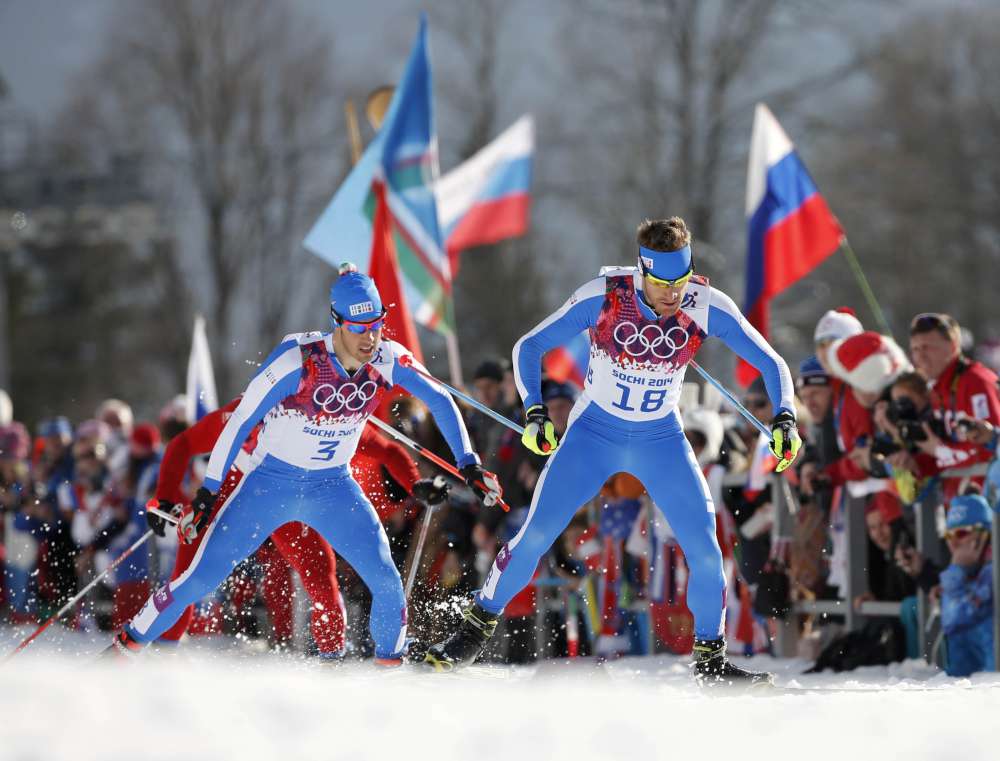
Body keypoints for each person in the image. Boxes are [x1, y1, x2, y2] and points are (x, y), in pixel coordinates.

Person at [425, 217, 800, 685]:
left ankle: (711, 662)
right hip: (593, 437)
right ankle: (474, 632)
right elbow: (529, 347)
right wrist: (535, 411)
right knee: (536, 534)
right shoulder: (604, 295)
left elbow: (772, 361)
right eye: (662, 284)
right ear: (643, 271)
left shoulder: (705, 305)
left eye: (681, 281)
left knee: (706, 551)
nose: (673, 295)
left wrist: (784, 417)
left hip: (660, 439)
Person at [109, 267, 499, 664]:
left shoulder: (388, 359)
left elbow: (440, 400)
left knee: (386, 582)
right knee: (199, 579)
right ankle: (124, 649)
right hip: (270, 485)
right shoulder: (299, 360)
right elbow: (240, 420)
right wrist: (210, 489)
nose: (370, 337)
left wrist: (468, 464)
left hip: (333, 487)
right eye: (359, 327)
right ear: (337, 322)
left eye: (377, 324)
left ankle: (389, 673)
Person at [938, 493, 995, 676]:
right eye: (949, 535)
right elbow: (950, 621)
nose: (953, 543)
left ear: (982, 536)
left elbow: (960, 615)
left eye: (962, 533)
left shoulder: (992, 569)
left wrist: (956, 573)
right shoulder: (966, 570)